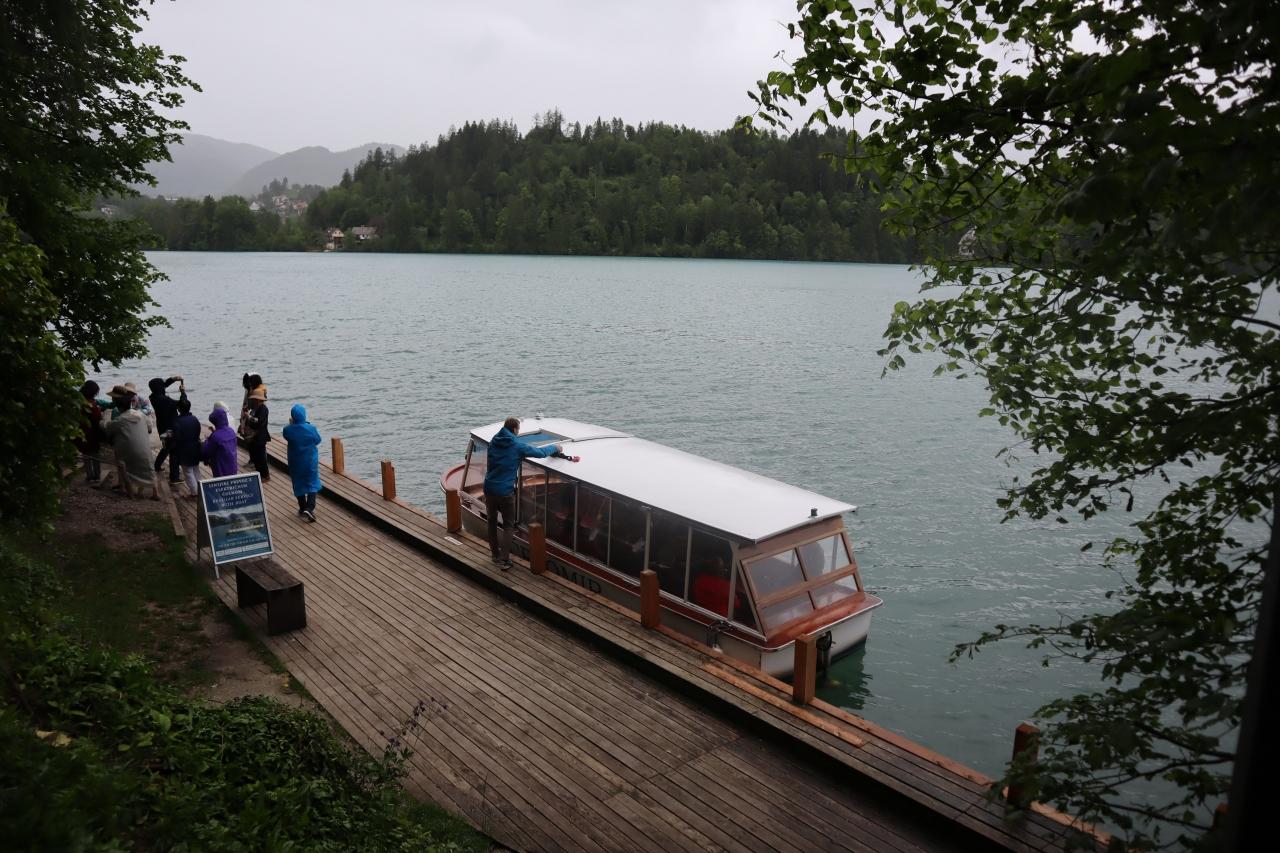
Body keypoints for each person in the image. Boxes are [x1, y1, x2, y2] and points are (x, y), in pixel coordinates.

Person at [483, 417, 562, 570]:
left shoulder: (493, 441)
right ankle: (504, 560)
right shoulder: (517, 446)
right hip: (505, 491)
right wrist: (555, 447)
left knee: (491, 522)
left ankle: (495, 555)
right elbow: (540, 452)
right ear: (514, 429)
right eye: (518, 430)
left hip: (489, 488)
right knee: (508, 525)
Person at [102, 387, 157, 499]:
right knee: (149, 467)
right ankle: (154, 493)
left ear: (118, 406)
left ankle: (130, 493)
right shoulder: (141, 415)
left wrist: (103, 419)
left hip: (128, 455)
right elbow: (150, 428)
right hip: (145, 453)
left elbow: (107, 427)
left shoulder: (120, 420)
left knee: (121, 464)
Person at [282, 404, 322, 522]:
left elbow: (286, 435)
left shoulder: (287, 429)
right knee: (312, 483)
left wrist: (291, 424)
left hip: (295, 462)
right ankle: (310, 508)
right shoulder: (311, 428)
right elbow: (318, 440)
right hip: (310, 461)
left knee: (298, 483)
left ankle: (302, 507)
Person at [148, 375, 185, 485]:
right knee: (174, 452)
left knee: (166, 448)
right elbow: (182, 404)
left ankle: (157, 465)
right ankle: (174, 478)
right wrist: (183, 393)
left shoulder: (153, 396)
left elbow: (162, 386)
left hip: (162, 428)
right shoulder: (164, 400)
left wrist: (173, 379)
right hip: (170, 429)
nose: (164, 386)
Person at [75, 380, 106, 483]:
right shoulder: (92, 404)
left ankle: (89, 476)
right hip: (93, 432)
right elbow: (97, 418)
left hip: (81, 432)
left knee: (86, 454)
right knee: (95, 454)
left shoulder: (78, 401)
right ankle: (96, 475)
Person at [172, 397, 203, 499]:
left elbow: (177, 438)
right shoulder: (195, 419)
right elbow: (198, 431)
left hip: (184, 449)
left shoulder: (177, 421)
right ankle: (201, 490)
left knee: (188, 472)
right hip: (195, 447)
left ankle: (194, 493)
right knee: (196, 469)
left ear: (179, 409)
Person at [202, 406, 238, 478]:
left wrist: (205, 441)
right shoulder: (231, 431)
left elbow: (207, 450)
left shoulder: (215, 436)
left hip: (221, 468)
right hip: (232, 465)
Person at [242, 389, 270, 481]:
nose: (253, 400)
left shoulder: (263, 409)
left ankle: (265, 475)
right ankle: (260, 475)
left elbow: (259, 422)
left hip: (260, 437)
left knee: (261, 457)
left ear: (258, 400)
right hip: (255, 437)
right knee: (256, 457)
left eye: (254, 399)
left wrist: (249, 417)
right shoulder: (256, 408)